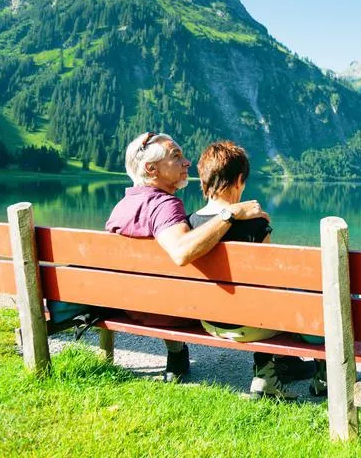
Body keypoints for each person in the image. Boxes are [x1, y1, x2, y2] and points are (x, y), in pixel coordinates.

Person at [105, 132, 269, 383]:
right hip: (172, 310)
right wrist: (231, 213)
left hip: (130, 305)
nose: (187, 163)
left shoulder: (122, 206)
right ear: (151, 169)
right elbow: (182, 252)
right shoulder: (165, 206)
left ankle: (176, 351)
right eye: (176, 156)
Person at [190, 141, 323, 399]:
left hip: (208, 320)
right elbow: (267, 286)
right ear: (240, 180)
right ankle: (320, 379)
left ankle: (269, 375)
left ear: (204, 178)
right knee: (311, 301)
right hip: (251, 324)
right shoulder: (255, 223)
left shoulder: (190, 225)